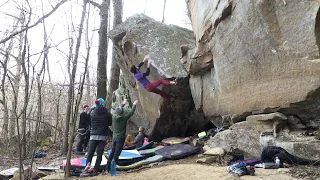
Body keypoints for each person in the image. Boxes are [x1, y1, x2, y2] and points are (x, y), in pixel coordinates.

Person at [80, 98, 112, 177]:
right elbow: (110, 123)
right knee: (99, 154)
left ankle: (87, 168)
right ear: (103, 104)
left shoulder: (92, 112)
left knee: (90, 153)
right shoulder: (107, 113)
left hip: (93, 136)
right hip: (103, 136)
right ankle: (96, 170)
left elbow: (90, 123)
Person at [106, 99, 138, 173]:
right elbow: (131, 113)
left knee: (112, 152)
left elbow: (118, 109)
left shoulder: (114, 116)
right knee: (117, 154)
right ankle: (113, 171)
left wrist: (123, 103)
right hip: (120, 139)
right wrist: (134, 104)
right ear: (122, 113)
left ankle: (107, 169)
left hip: (114, 138)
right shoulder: (123, 118)